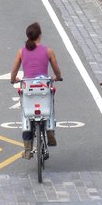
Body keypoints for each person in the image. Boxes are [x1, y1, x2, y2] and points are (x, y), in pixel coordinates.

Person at [10, 22, 62, 159]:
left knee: (25, 115)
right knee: (49, 105)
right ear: (40, 35)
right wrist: (58, 77)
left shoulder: (21, 51)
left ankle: (27, 149)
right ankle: (50, 130)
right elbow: (56, 68)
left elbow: (14, 70)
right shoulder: (48, 51)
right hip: (43, 86)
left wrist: (13, 79)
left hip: (28, 88)